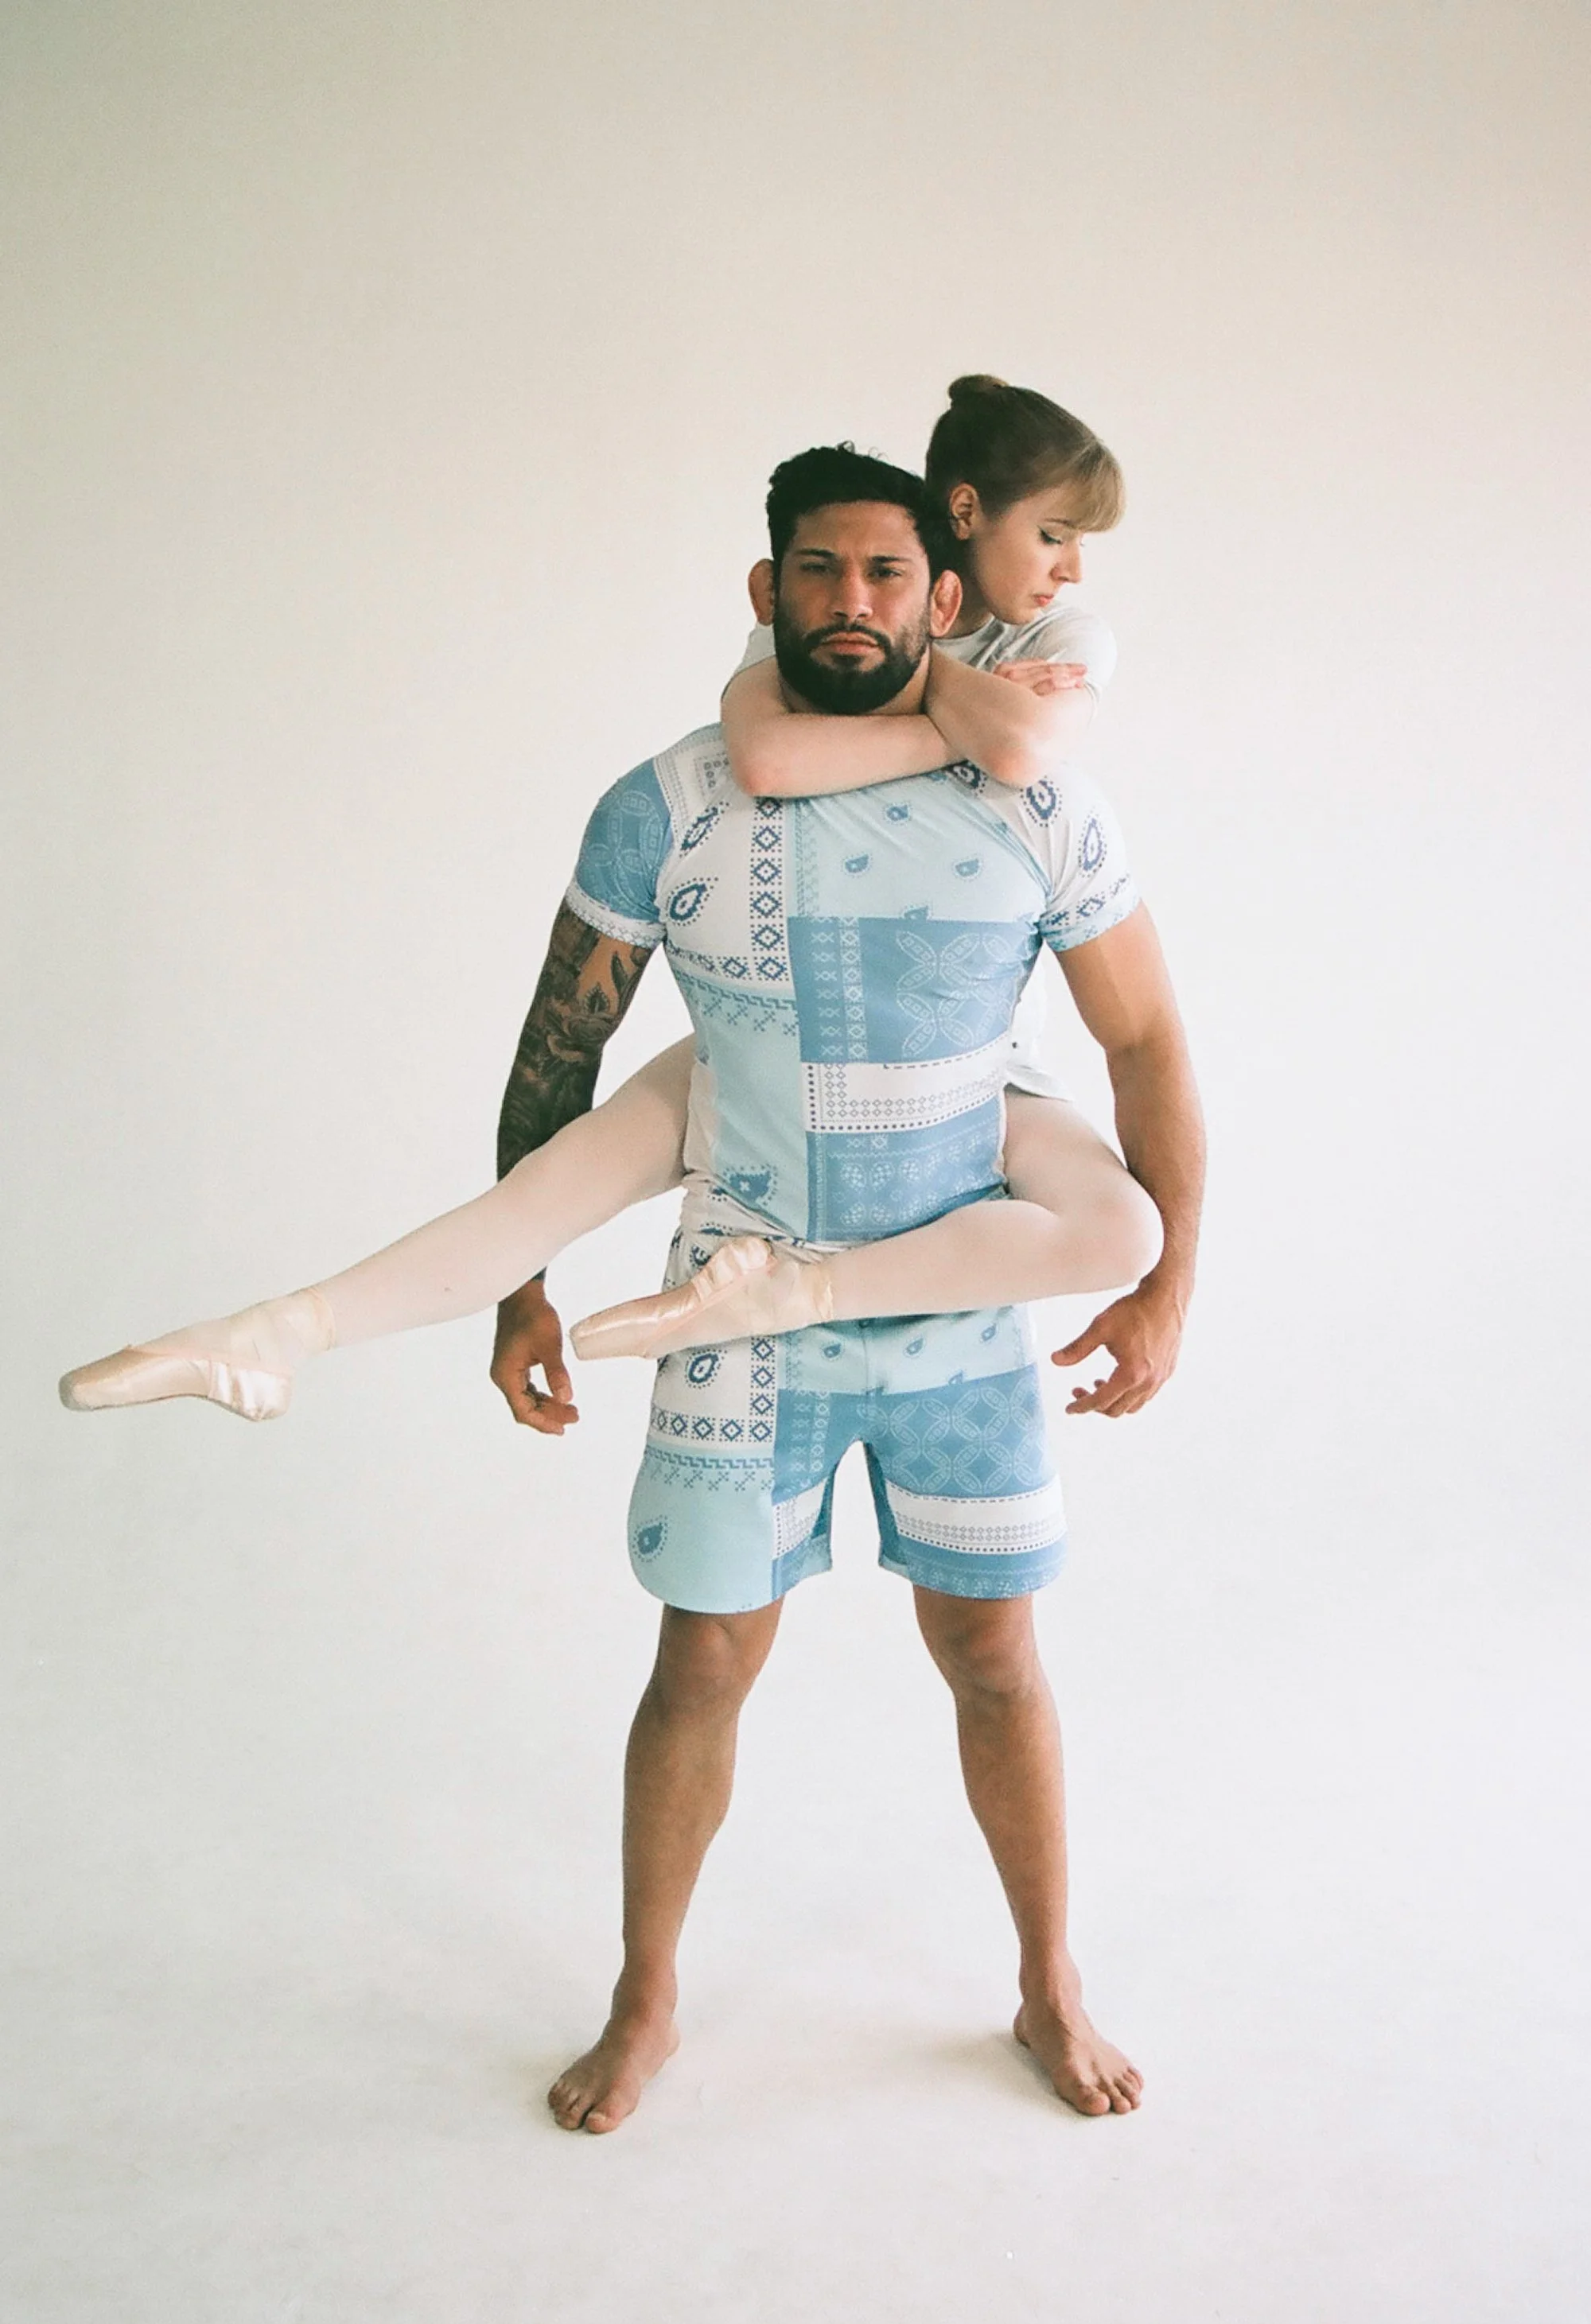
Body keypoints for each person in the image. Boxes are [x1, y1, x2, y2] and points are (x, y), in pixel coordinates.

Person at [501, 445, 1201, 2132]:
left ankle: (1048, 1986)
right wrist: (521, 1284)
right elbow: (559, 1049)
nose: (850, 602)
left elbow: (1145, 1040)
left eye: (885, 573)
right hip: (736, 1304)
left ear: (943, 597)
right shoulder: (670, 801)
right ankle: (647, 2000)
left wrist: (1169, 1284)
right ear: (767, 589)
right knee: (702, 1660)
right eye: (816, 570)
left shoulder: (1039, 798)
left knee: (995, 1653)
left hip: (962, 1313)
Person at [57, 379, 1164, 1428]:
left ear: (937, 593)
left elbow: (1026, 752)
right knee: (534, 1203)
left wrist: (932, 691)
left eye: (886, 578)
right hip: (758, 1052)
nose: (1069, 569)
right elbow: (765, 758)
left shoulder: (1063, 644)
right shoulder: (799, 678)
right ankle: (269, 1334)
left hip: (962, 1069)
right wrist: (940, 704)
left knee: (1125, 1233)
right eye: (1053, 533)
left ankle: (792, 1292)